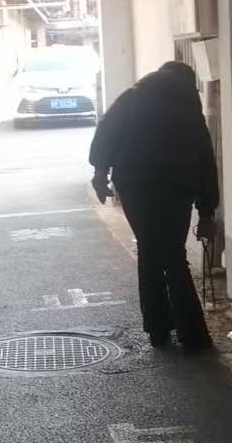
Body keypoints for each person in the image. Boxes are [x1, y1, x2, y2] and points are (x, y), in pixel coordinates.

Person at [88, 60, 218, 355]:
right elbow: (205, 161)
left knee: (150, 250)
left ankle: (158, 328)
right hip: (177, 190)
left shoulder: (132, 97)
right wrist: (207, 210)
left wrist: (100, 175)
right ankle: (192, 334)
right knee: (173, 254)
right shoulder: (188, 107)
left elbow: (105, 134)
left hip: (136, 189)